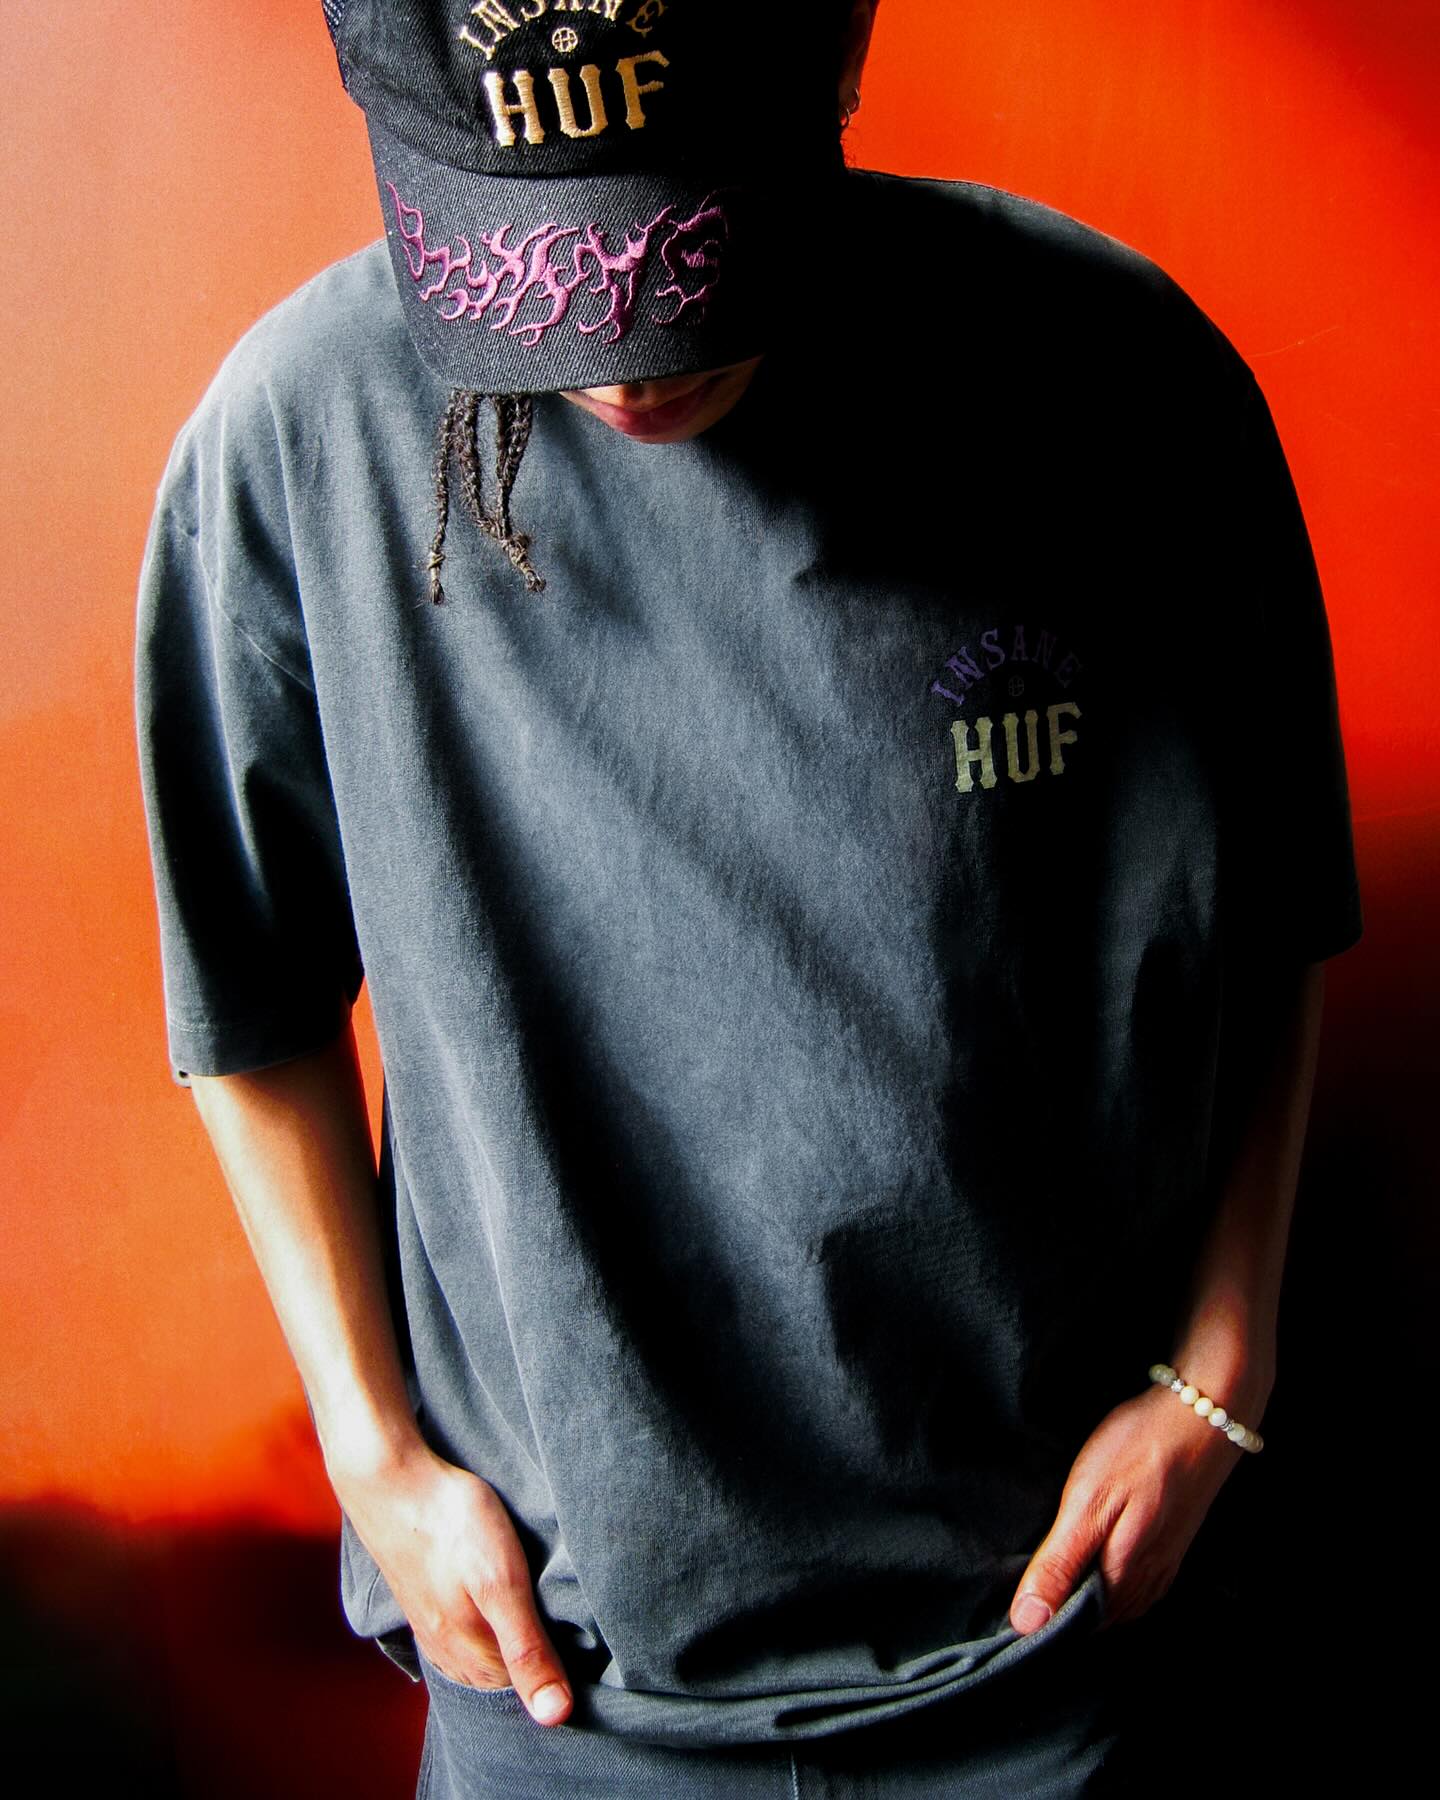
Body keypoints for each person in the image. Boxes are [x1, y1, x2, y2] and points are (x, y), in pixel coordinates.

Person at [134, 1, 1362, 1793]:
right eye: (540, 258)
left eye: (684, 235)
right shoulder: (300, 434)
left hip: (1070, 1650)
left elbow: (1266, 900)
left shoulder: (1119, 378)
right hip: (567, 1687)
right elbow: (242, 992)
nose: (627, 363)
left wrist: (1222, 1369)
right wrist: (372, 1455)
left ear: (835, 54)